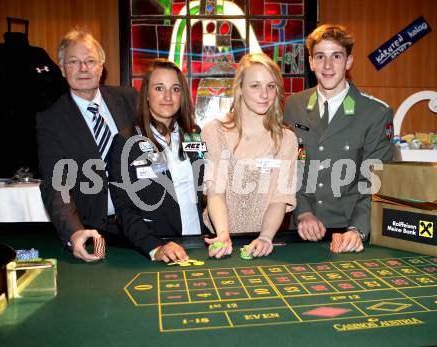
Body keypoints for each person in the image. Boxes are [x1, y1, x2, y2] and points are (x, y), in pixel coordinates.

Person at [285, 24, 393, 253]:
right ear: (311, 62)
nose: (327, 65)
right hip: (301, 229)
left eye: (336, 56)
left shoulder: (375, 112)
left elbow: (375, 180)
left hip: (350, 232)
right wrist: (303, 212)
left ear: (349, 61)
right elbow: (288, 167)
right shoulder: (292, 106)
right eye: (320, 56)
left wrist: (357, 228)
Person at [37, 28, 137, 262]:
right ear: (62, 69)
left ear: (101, 66)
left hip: (143, 224)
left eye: (90, 61)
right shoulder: (50, 120)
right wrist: (74, 231)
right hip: (95, 233)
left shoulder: (130, 99)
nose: (83, 68)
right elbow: (57, 182)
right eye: (74, 61)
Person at [108, 59, 206, 262]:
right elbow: (125, 210)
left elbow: (204, 185)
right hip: (160, 249)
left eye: (175, 89)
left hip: (198, 243)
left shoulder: (193, 134)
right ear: (146, 95)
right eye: (159, 88)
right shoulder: (126, 141)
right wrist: (156, 247)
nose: (168, 96)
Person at [202, 52, 298, 259]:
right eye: (255, 86)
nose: (264, 94)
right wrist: (223, 233)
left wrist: (265, 237)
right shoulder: (213, 131)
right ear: (240, 88)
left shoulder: (287, 139)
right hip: (220, 237)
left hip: (265, 241)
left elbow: (279, 199)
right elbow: (215, 192)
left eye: (271, 86)